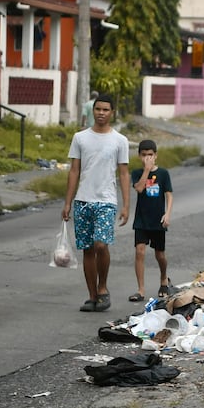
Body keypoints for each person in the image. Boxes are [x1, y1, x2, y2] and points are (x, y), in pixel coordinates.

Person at [61, 93, 130, 312]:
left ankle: (103, 287)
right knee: (88, 249)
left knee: (101, 244)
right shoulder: (80, 138)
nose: (101, 113)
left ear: (112, 112)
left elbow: (124, 174)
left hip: (106, 200)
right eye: (98, 109)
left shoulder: (120, 140)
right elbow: (74, 171)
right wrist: (68, 202)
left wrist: (126, 205)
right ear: (93, 110)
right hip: (83, 200)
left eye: (105, 110)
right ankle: (92, 296)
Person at [128, 139, 173, 302]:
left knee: (160, 254)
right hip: (142, 220)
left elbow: (169, 194)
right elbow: (139, 188)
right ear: (139, 156)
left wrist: (167, 214)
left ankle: (163, 279)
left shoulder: (163, 174)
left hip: (157, 220)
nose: (147, 158)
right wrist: (146, 171)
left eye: (150, 155)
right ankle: (140, 290)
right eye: (144, 155)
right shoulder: (136, 173)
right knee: (139, 251)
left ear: (156, 156)